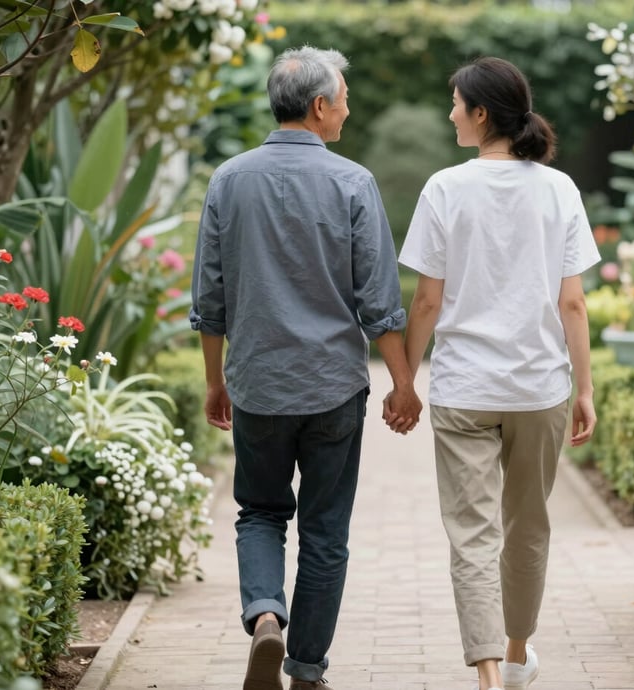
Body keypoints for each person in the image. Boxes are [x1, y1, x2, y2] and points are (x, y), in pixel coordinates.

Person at [190, 45, 421, 690]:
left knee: (260, 513)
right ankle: (306, 669)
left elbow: (210, 299)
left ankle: (266, 613)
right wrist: (403, 384)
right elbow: (379, 302)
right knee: (325, 531)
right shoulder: (353, 182)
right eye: (343, 99)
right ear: (319, 106)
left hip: (258, 385)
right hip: (332, 389)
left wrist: (215, 381)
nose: (347, 109)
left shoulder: (228, 180)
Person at [385, 57, 599, 690]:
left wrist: (406, 383)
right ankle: (515, 654)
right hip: (539, 388)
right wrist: (585, 389)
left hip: (464, 390)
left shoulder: (444, 188)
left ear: (481, 114)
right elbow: (573, 303)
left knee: (472, 536)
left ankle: (486, 674)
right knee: (527, 529)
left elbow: (426, 302)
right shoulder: (559, 189)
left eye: (456, 103)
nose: (450, 113)